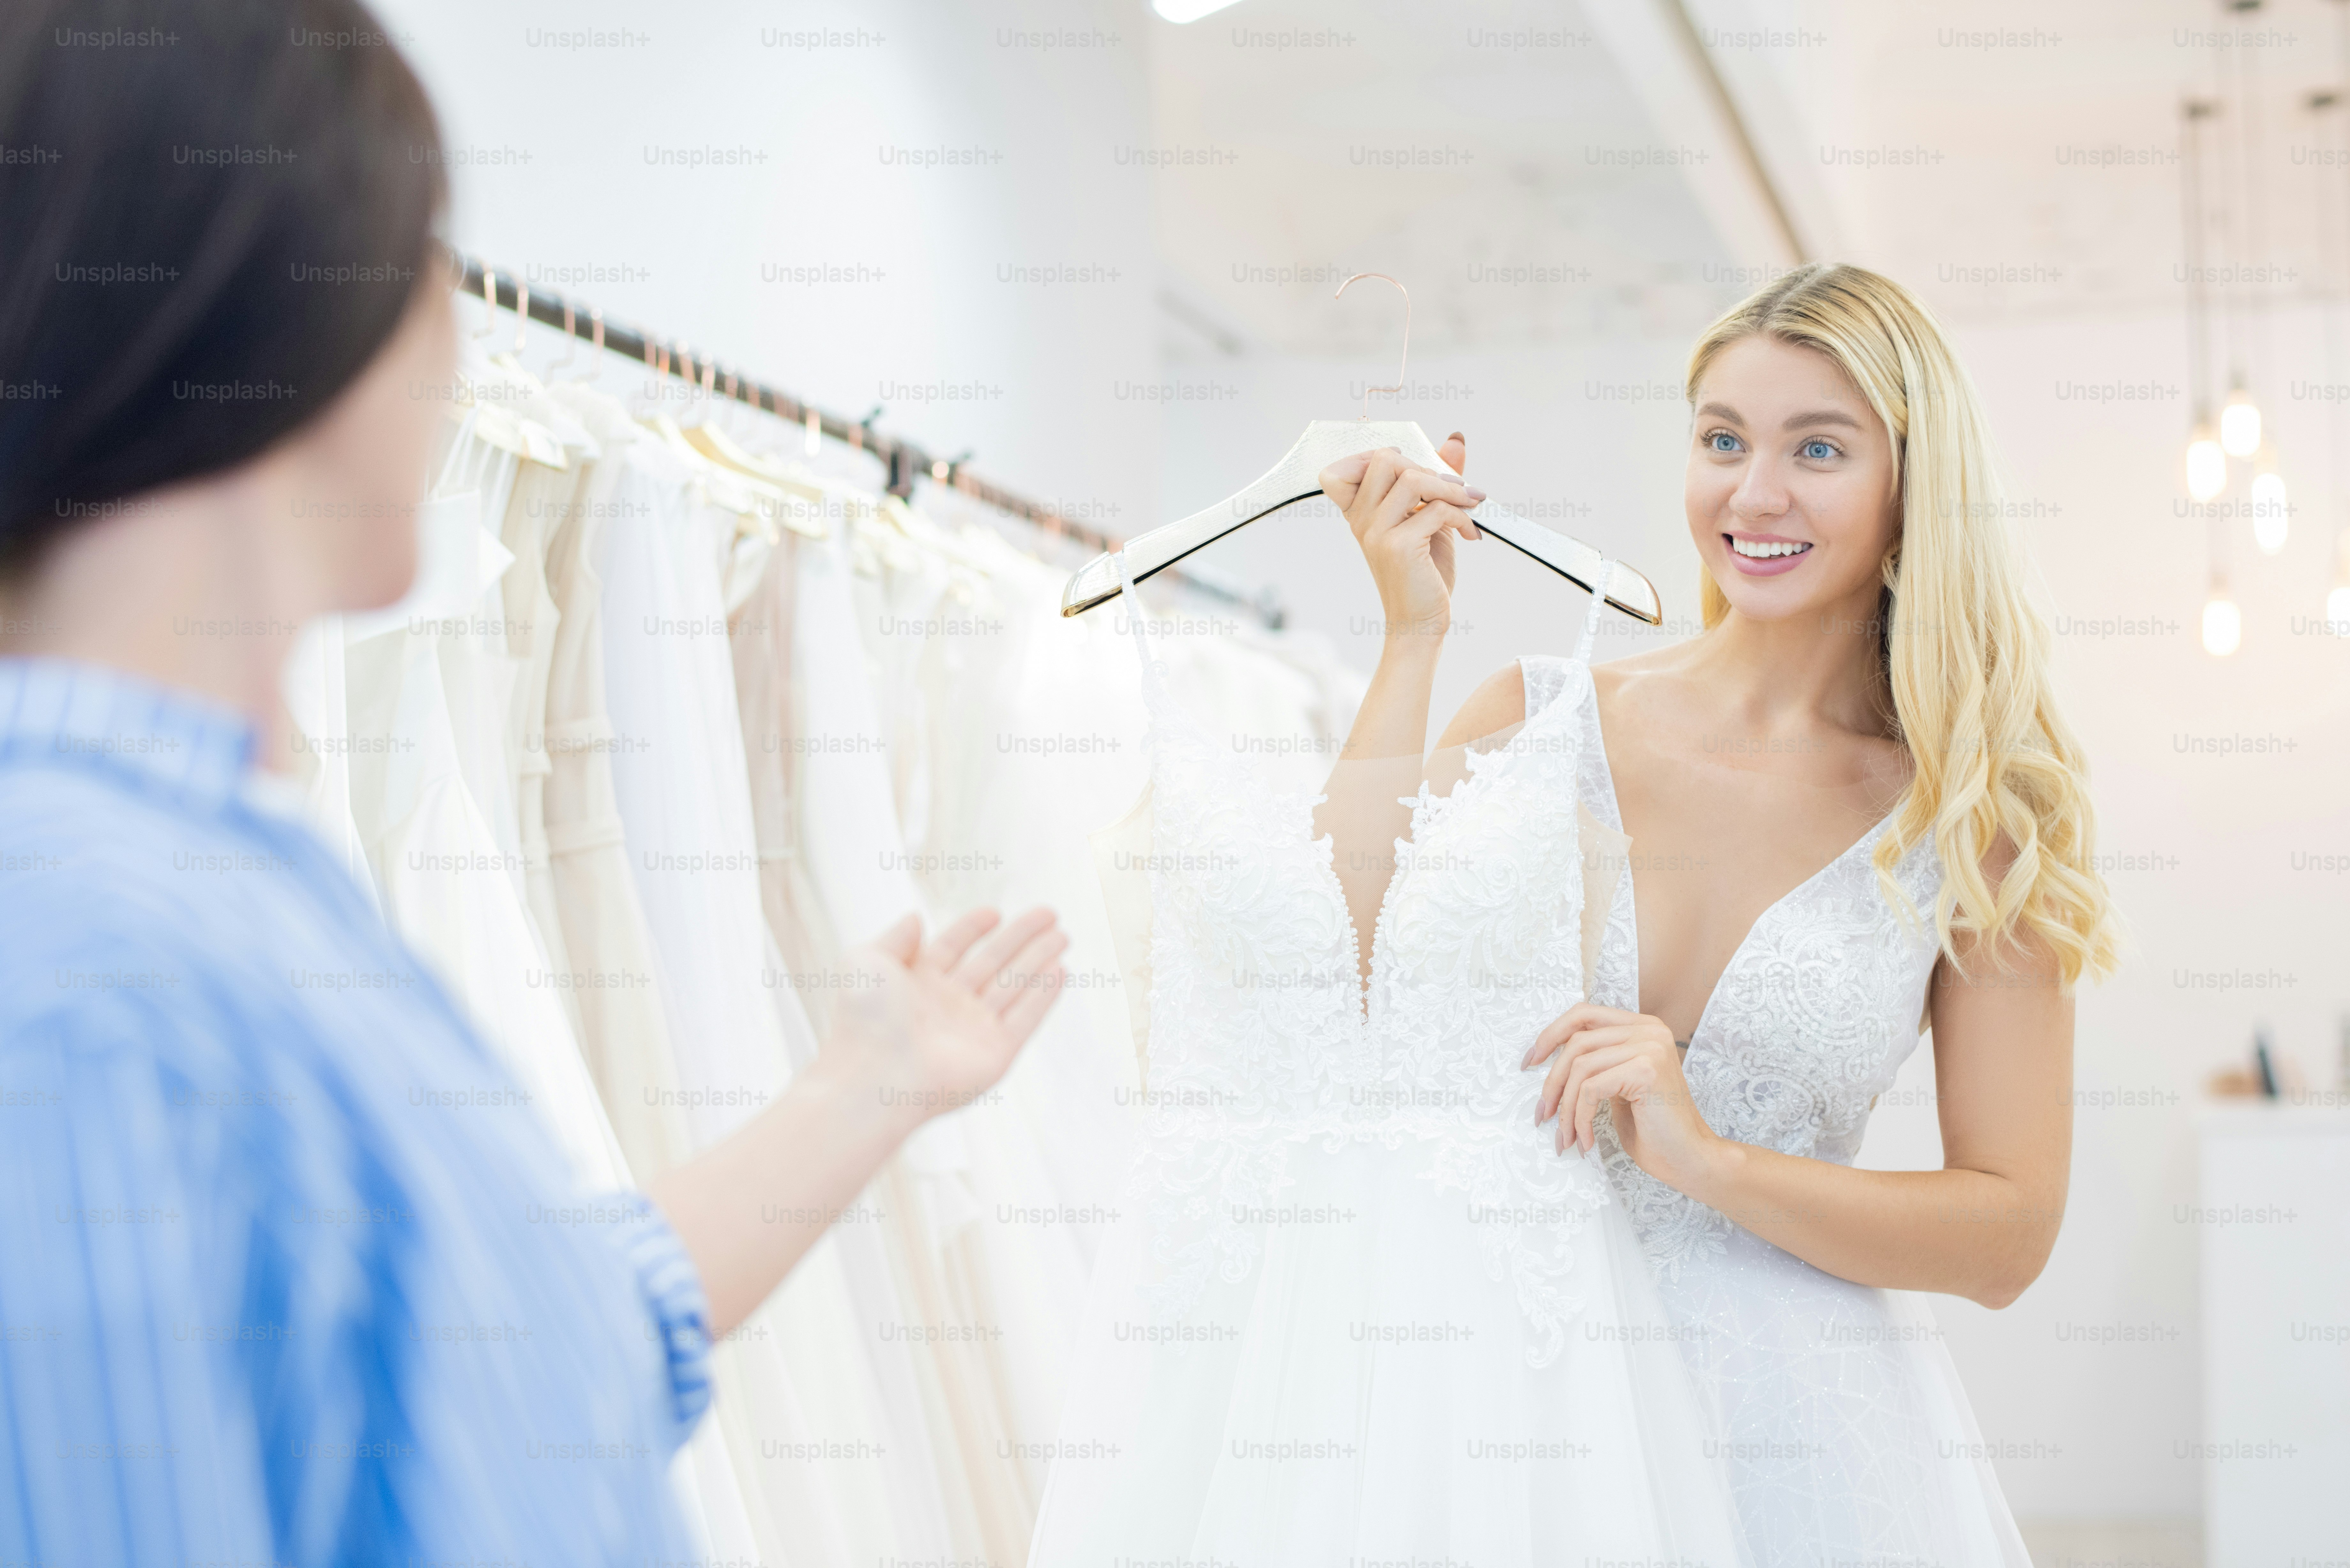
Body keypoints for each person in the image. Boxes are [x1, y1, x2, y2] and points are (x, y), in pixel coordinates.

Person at [0, 2, 1065, 1563]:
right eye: (422, 246)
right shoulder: (98, 971)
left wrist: (868, 1082)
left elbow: (513, 1382)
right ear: (275, 300)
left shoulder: (210, 888)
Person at [1320, 262, 2118, 1562]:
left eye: (1818, 447)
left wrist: (1708, 1157)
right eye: (1722, 440)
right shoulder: (1536, 715)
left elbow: (2007, 1233)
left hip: (1787, 1434)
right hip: (1499, 1400)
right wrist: (1411, 638)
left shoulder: (1972, 811)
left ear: (1911, 483)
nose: (1754, 493)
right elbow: (1328, 972)